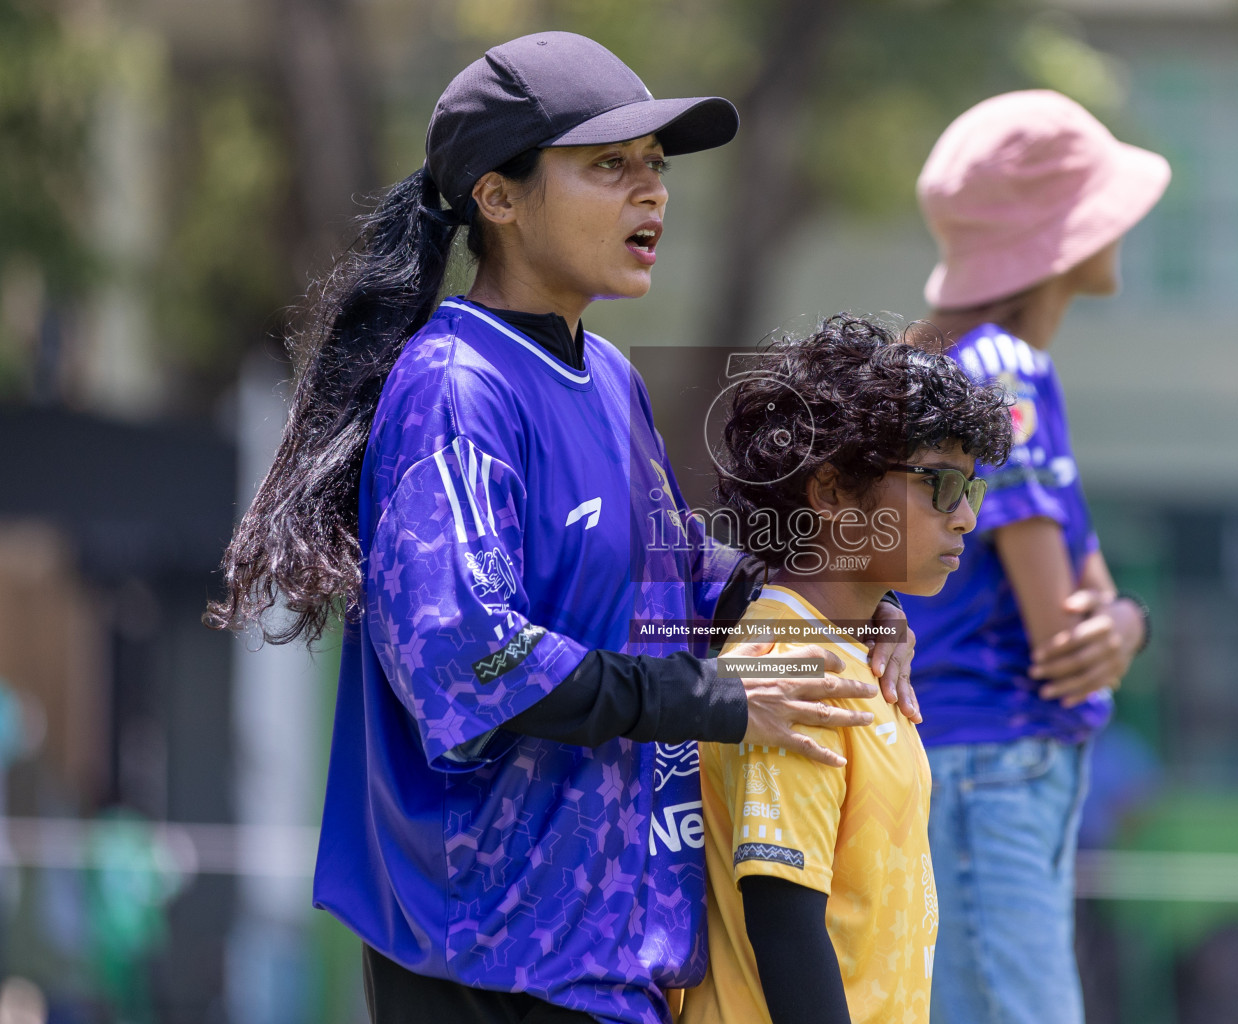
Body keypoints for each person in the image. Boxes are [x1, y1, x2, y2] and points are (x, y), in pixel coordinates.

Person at [206, 33, 919, 1024]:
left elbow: (678, 578)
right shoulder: (456, 385)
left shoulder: (611, 379)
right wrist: (711, 698)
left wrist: (830, 610)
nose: (652, 195)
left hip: (604, 957)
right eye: (609, 166)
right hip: (481, 956)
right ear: (498, 197)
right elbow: (466, 655)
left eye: (656, 168)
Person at [901, 90, 1170, 1024]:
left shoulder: (952, 364)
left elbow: (1099, 604)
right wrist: (1121, 625)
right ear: (1059, 235)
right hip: (997, 766)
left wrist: (1125, 620)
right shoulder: (1007, 371)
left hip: (952, 764)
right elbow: (1070, 631)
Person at [680, 316, 1012, 1024]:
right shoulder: (787, 668)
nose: (965, 520)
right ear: (831, 492)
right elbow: (784, 921)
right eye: (941, 485)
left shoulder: (850, 649)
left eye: (972, 489)